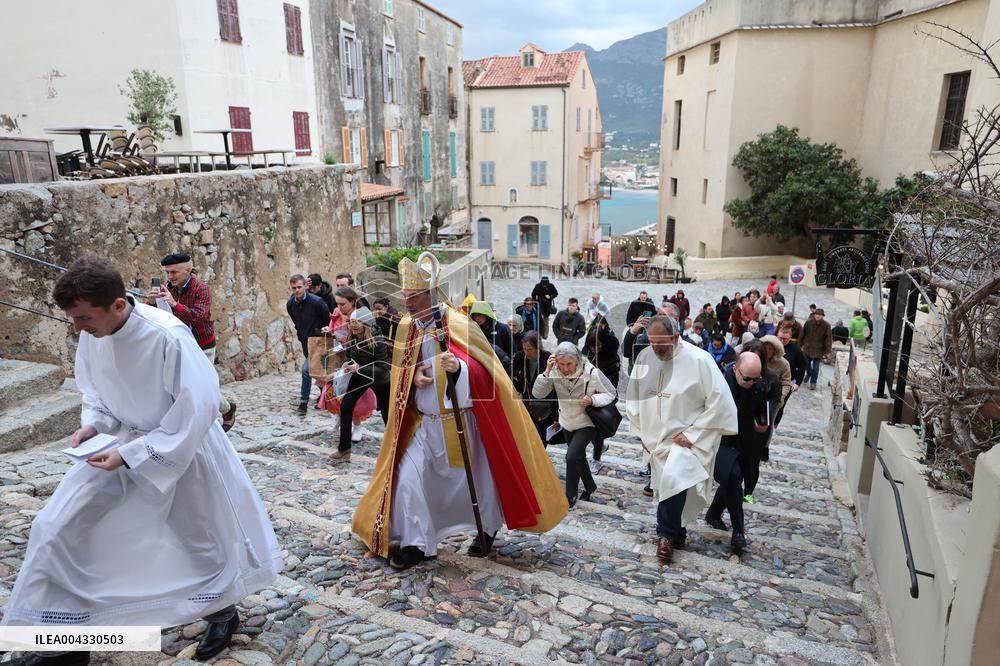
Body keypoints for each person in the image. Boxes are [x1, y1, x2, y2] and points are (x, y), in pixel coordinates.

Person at [2, 257, 281, 664]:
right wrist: (93, 425)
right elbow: (95, 389)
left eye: (83, 318)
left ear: (118, 305)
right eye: (73, 319)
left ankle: (221, 609)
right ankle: (61, 644)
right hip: (117, 445)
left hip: (180, 452)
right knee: (54, 527)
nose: (78, 328)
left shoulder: (168, 336)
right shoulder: (93, 331)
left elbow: (196, 409)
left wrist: (133, 455)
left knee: (198, 542)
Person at [352, 258, 567, 569]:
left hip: (463, 421)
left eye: (414, 297)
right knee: (408, 480)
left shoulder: (457, 323)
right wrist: (412, 377)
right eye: (406, 297)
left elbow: (488, 370)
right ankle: (417, 543)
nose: (409, 303)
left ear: (430, 293)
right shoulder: (405, 328)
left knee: (479, 482)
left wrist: (462, 368)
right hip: (424, 424)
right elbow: (398, 371)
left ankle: (487, 528)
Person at [625, 316, 738, 564]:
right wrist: (640, 432)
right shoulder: (645, 358)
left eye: (661, 344)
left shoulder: (700, 360)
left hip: (684, 439)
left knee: (674, 479)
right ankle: (678, 531)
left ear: (676, 338)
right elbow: (633, 396)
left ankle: (664, 536)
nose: (656, 349)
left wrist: (693, 434)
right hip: (655, 438)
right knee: (671, 488)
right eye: (652, 343)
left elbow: (721, 403)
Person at [146, 252, 237, 432]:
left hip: (202, 346)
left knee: (204, 387)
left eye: (174, 272)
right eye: (167, 272)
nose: (170, 277)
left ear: (188, 270)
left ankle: (226, 409)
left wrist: (174, 304)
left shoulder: (201, 288)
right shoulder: (168, 288)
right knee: (181, 386)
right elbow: (157, 316)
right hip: (178, 345)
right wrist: (151, 303)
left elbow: (199, 317)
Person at [704, 352, 771, 553]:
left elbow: (762, 408)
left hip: (745, 441)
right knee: (733, 478)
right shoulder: (718, 382)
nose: (751, 382)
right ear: (735, 369)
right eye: (747, 378)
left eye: (755, 378)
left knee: (736, 478)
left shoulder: (758, 385)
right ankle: (738, 531)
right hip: (720, 439)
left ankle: (714, 514)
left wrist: (762, 423)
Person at [533, 343, 616, 507]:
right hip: (566, 420)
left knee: (571, 456)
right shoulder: (554, 371)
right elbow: (538, 393)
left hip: (587, 422)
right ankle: (590, 486)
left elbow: (611, 393)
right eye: (561, 364)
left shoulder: (592, 372)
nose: (565, 368)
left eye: (569, 364)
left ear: (577, 360)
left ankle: (569, 497)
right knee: (577, 456)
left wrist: (592, 400)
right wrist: (547, 371)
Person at [330, 307, 390, 462]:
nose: (354, 325)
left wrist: (360, 368)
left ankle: (394, 449)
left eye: (358, 322)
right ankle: (344, 450)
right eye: (351, 322)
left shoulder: (378, 340)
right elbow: (348, 357)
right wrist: (346, 364)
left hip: (379, 380)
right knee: (346, 406)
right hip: (359, 376)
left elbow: (383, 367)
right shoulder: (352, 338)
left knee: (387, 414)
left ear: (366, 323)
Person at [738, 340, 781, 499]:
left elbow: (774, 400)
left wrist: (763, 419)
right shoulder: (734, 372)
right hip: (739, 424)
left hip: (759, 425)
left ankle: (748, 492)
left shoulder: (771, 377)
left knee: (753, 460)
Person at [287, 274, 331, 414]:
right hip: (305, 341)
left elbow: (327, 319)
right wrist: (300, 332)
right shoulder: (291, 304)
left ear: (305, 286)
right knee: (316, 371)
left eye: (299, 287)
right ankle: (327, 397)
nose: (297, 290)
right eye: (294, 288)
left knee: (307, 371)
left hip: (319, 341)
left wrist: (322, 334)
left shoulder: (317, 302)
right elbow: (295, 320)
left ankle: (303, 403)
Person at [512, 332, 555, 444]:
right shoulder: (519, 357)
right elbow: (513, 376)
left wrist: (556, 415)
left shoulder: (548, 359)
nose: (527, 352)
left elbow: (555, 388)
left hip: (542, 406)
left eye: (530, 349)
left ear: (538, 347)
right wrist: (517, 390)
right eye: (524, 348)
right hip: (525, 403)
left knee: (540, 438)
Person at [776, 323, 807, 426]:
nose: (782, 341)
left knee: (781, 403)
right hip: (772, 379)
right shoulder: (772, 345)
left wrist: (797, 383)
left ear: (790, 337)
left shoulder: (796, 350)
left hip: (787, 382)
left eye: (785, 339)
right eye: (780, 338)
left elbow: (802, 366)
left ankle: (774, 425)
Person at [470, 300, 513, 371]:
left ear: (487, 314)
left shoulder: (503, 328)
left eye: (479, 315)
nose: (477, 318)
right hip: (483, 367)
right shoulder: (475, 330)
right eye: (474, 315)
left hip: (501, 367)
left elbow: (511, 350)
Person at [800, 308, 832, 390]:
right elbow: (802, 334)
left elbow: (828, 339)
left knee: (816, 368)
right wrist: (799, 345)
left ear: (822, 316)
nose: (818, 316)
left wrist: (827, 350)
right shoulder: (808, 323)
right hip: (807, 348)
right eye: (816, 314)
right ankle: (809, 373)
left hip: (818, 350)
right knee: (806, 364)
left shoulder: (826, 325)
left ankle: (813, 382)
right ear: (814, 315)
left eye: (820, 315)